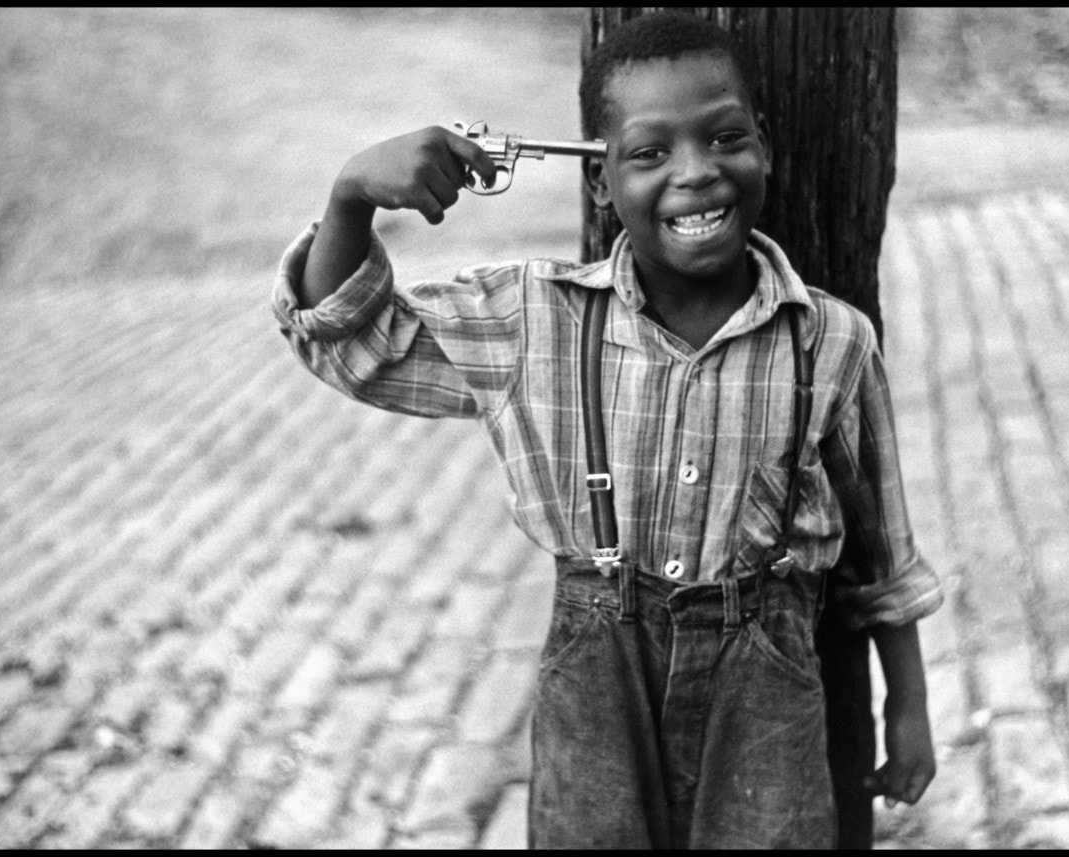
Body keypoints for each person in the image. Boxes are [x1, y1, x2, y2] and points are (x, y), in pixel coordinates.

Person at [272, 11, 942, 850]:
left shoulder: (832, 340)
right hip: (597, 694)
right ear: (600, 182)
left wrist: (907, 706)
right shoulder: (535, 321)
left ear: (763, 146)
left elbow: (881, 551)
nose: (696, 174)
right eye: (651, 152)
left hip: (767, 698)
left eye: (724, 137)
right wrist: (351, 196)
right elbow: (352, 341)